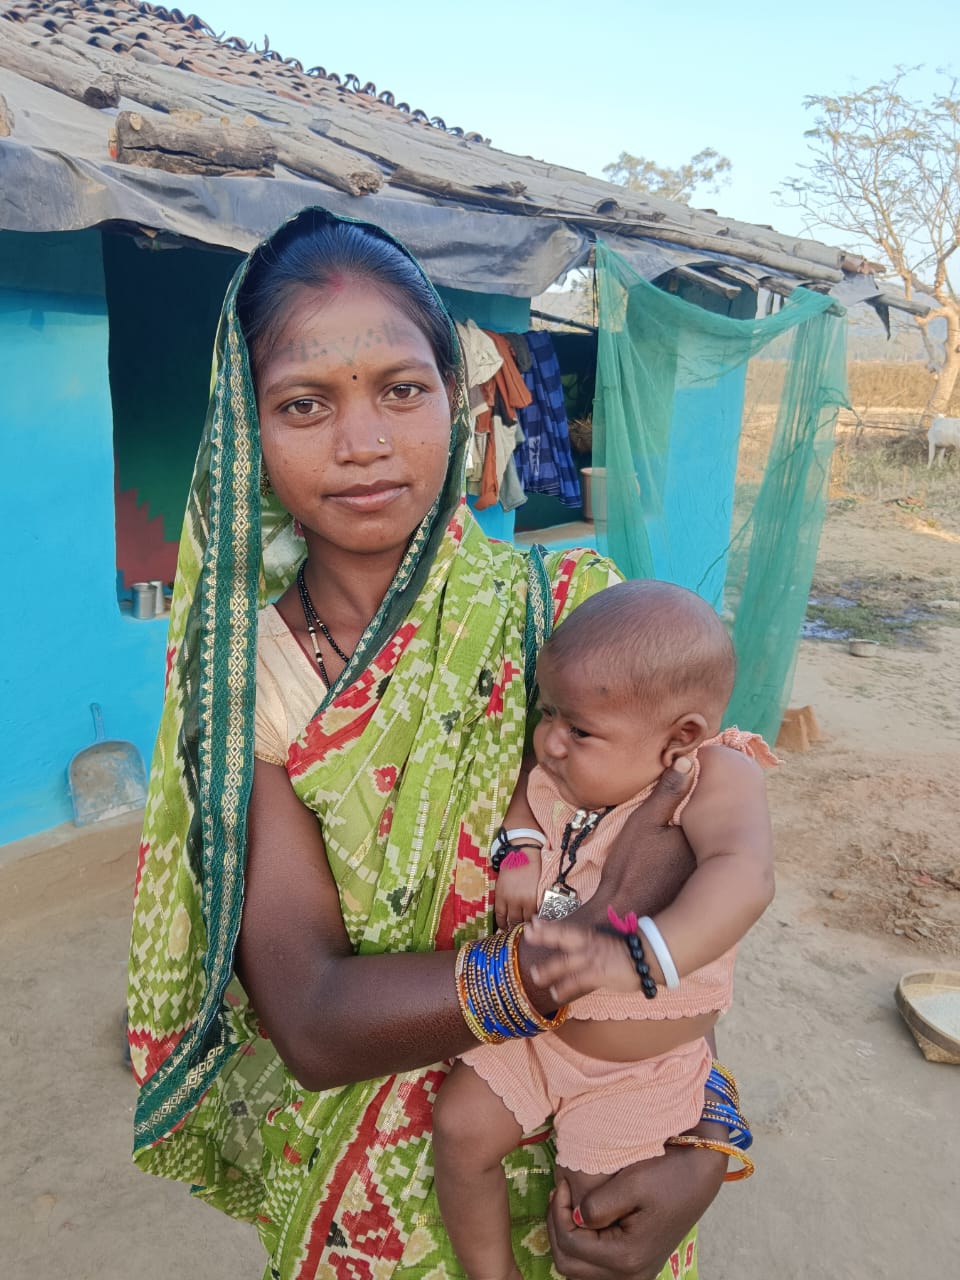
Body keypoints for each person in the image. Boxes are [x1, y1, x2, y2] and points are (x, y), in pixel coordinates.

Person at [127, 206, 737, 1280]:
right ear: (246, 430)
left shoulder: (571, 616)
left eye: (402, 390)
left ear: (458, 399)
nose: (363, 442)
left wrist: (705, 1126)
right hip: (363, 1207)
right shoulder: (253, 684)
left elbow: (687, 891)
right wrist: (560, 971)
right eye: (304, 403)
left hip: (603, 1154)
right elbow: (315, 1017)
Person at [432, 580, 776, 1280]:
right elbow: (526, 790)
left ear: (681, 737)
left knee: (597, 1215)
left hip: (637, 1072)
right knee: (459, 1128)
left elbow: (745, 876)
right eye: (547, 712)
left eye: (579, 729)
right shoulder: (566, 769)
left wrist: (637, 959)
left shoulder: (715, 775)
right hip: (539, 1037)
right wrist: (522, 850)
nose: (550, 741)